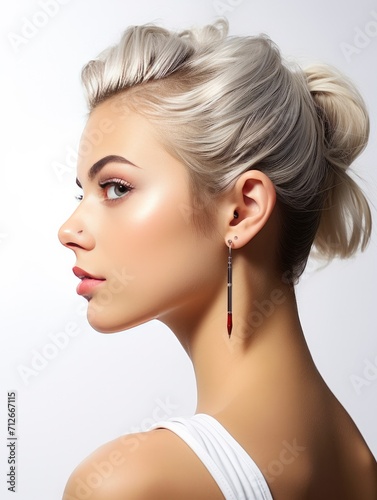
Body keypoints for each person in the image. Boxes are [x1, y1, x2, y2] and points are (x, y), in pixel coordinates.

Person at [58, 20, 377, 500]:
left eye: (116, 188)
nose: (68, 231)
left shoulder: (130, 484)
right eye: (82, 193)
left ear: (243, 210)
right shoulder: (359, 464)